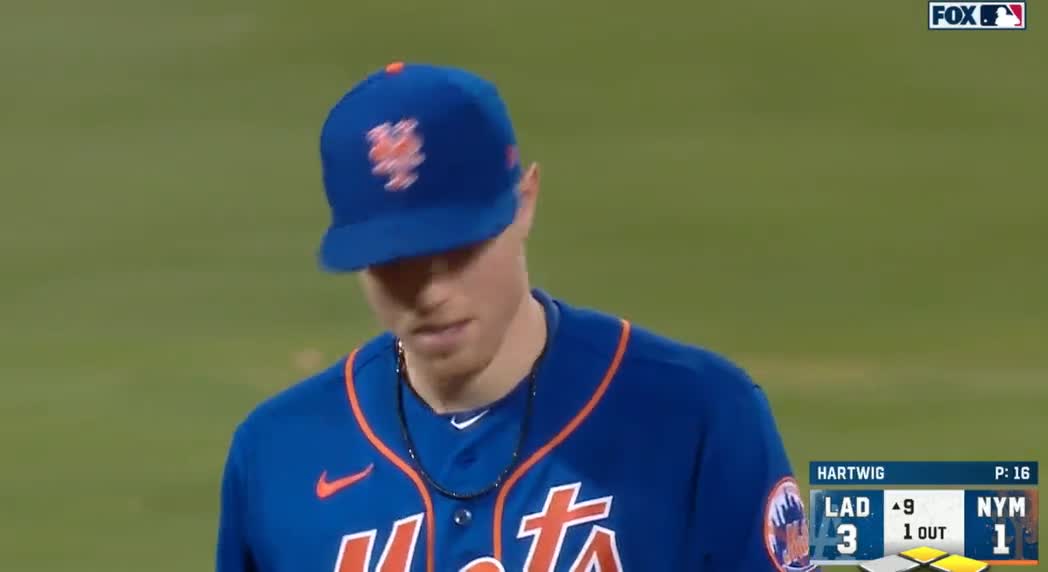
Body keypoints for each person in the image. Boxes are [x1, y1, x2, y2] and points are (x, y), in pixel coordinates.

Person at [215, 61, 817, 572]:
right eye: (390, 261)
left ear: (524, 204)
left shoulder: (696, 416)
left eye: (457, 248)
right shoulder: (277, 457)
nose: (428, 293)